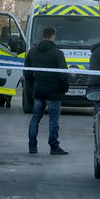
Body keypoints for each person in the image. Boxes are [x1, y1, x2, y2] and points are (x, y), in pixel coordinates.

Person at [25, 26, 70, 155]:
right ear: (53, 36)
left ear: (43, 35)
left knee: (35, 119)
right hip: (54, 92)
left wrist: (34, 85)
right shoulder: (57, 53)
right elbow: (63, 74)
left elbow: (27, 73)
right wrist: (64, 88)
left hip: (39, 91)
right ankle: (54, 147)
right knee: (53, 120)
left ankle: (32, 146)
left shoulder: (32, 52)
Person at [0, 26, 13, 108]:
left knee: (0, 83)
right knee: (10, 83)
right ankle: (8, 99)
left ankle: (1, 102)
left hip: (0, 64)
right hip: (10, 64)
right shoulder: (11, 40)